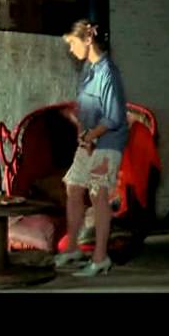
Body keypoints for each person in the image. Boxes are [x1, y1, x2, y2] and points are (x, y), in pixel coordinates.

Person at [54, 19, 128, 277]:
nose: (71, 49)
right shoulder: (89, 70)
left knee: (98, 193)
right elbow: (88, 109)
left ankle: (100, 258)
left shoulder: (108, 72)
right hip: (90, 141)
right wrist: (78, 124)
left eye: (73, 43)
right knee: (74, 187)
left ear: (88, 40)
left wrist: (92, 135)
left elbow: (114, 116)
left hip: (107, 142)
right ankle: (72, 248)